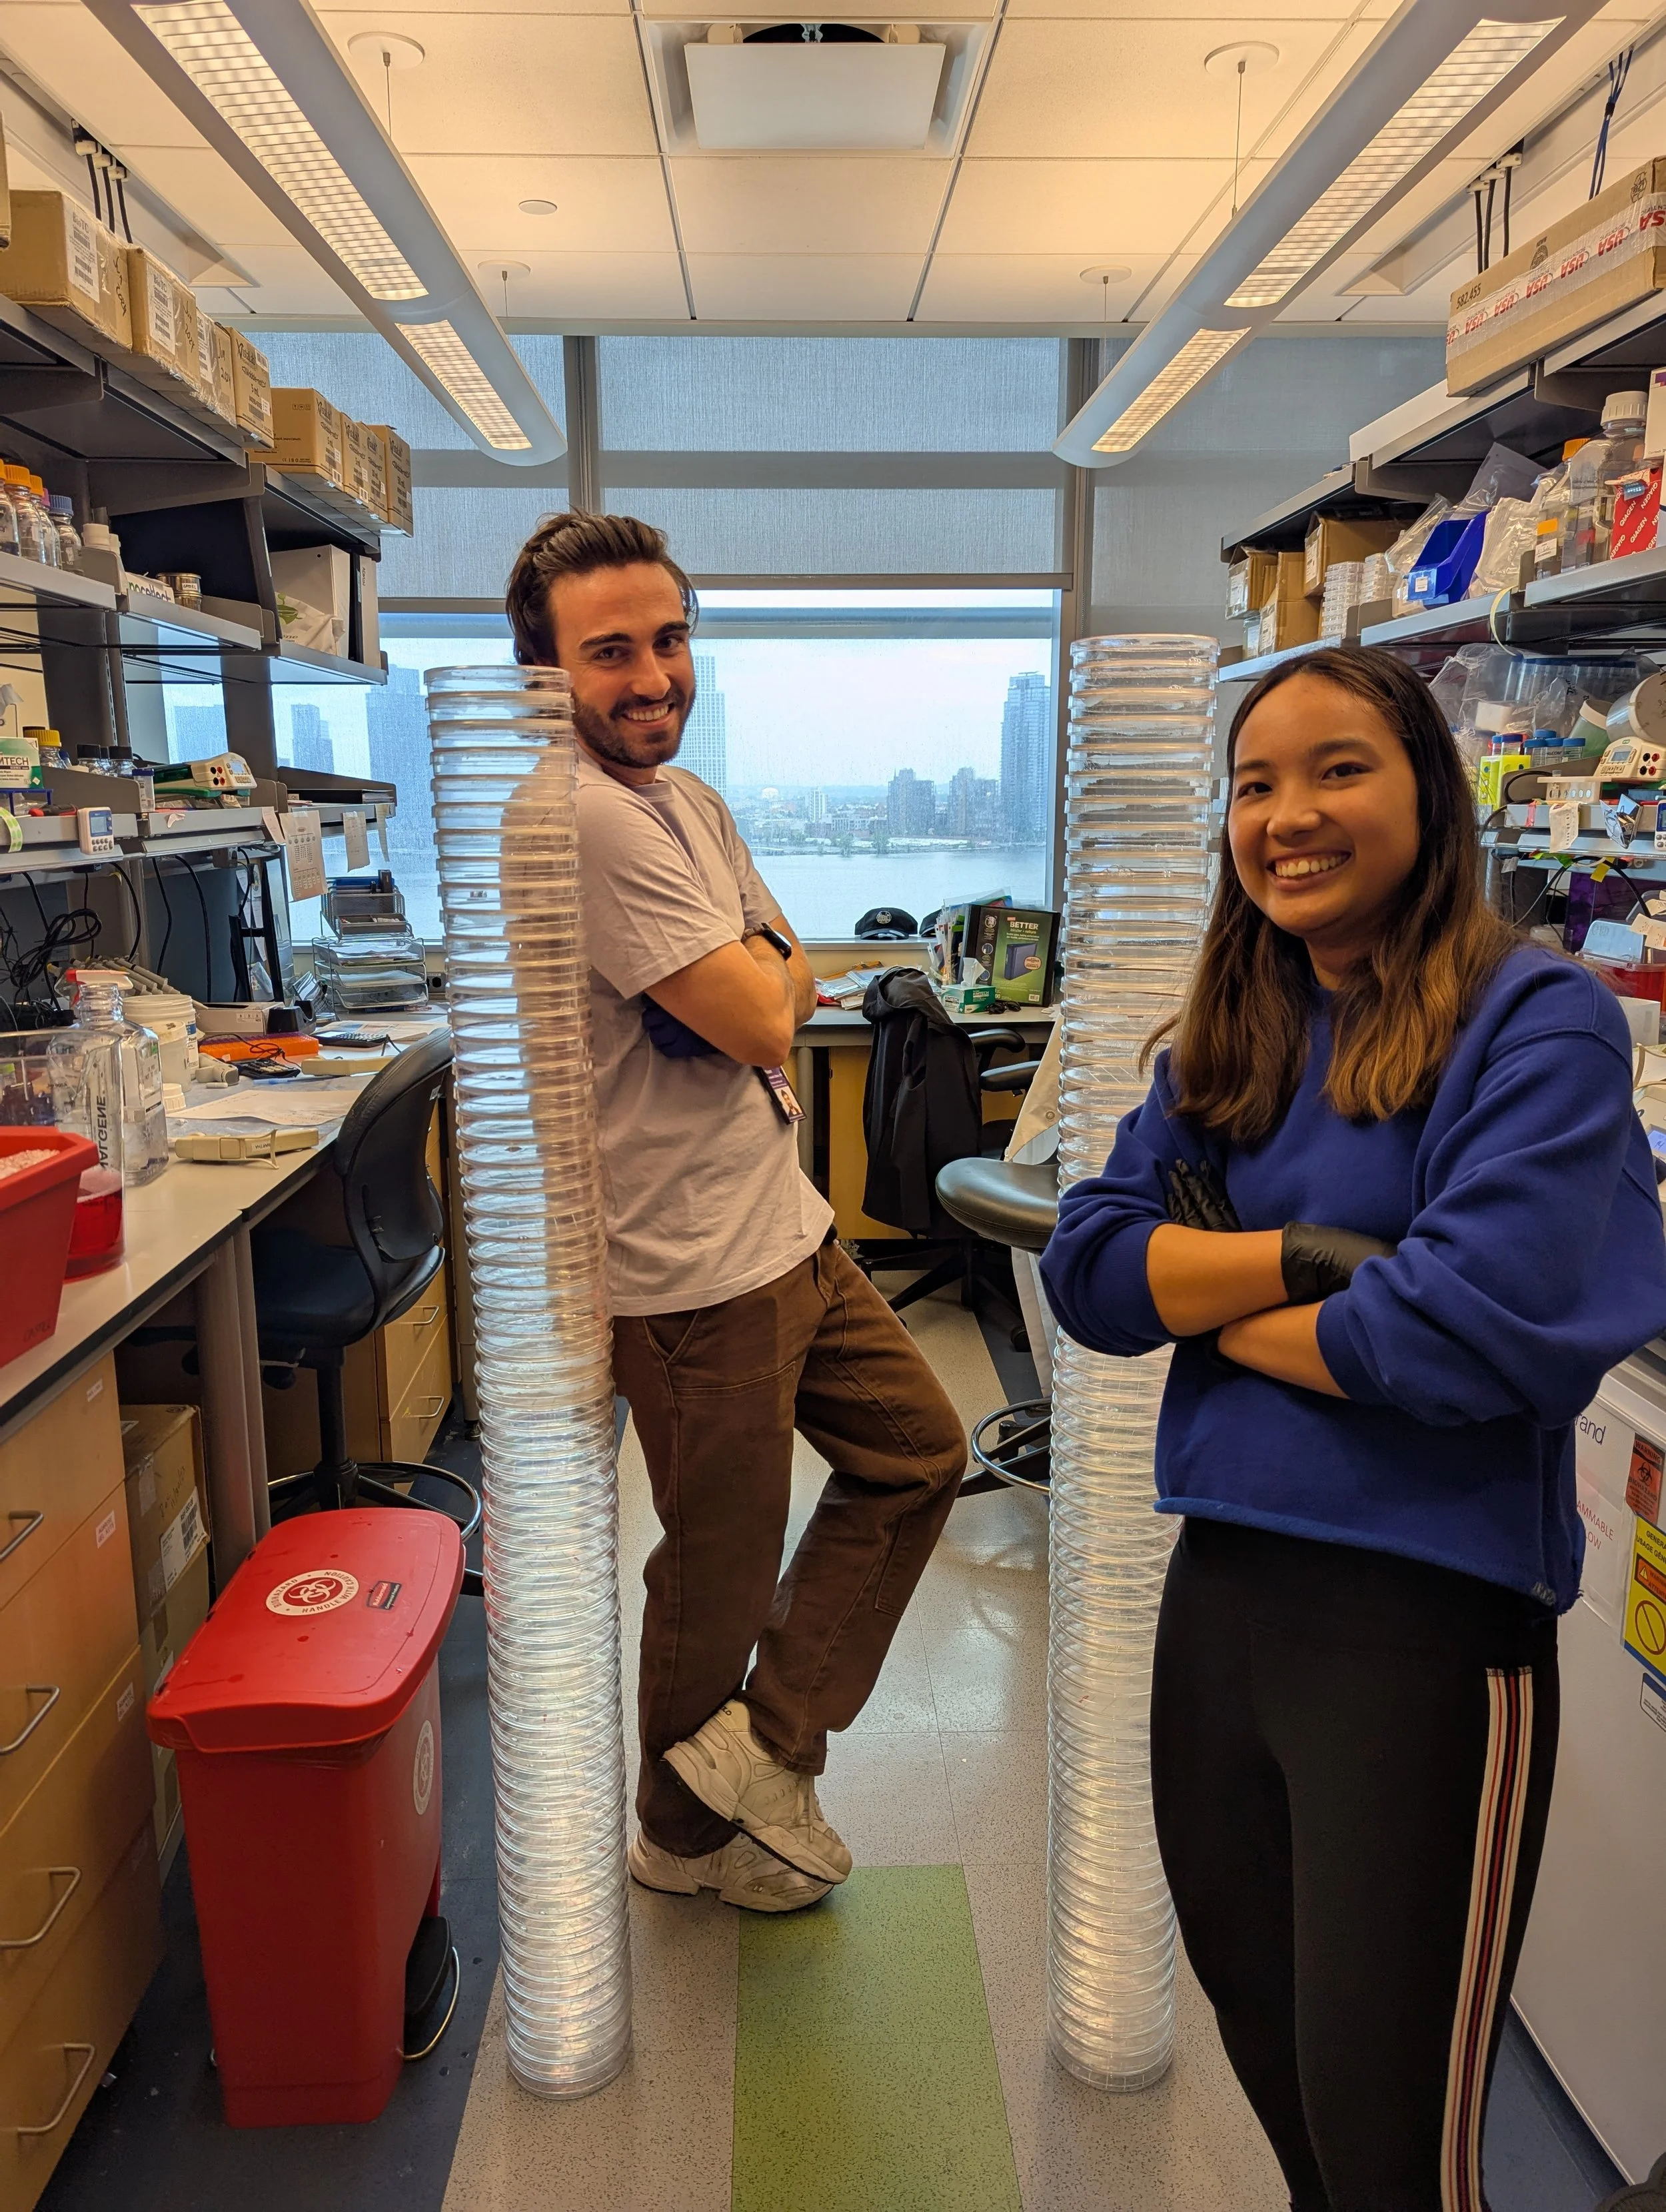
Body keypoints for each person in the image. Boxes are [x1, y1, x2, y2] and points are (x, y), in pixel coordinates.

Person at [1039, 645, 1666, 2212]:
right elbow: (1094, 1271)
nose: (1288, 815)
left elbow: (1454, 1330)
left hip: (1422, 1627)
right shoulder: (1225, 1038)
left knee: (1392, 2139)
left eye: (1335, 770)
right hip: (1226, 1604)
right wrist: (1320, 1267)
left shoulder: (1538, 1025)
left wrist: (1215, 1298)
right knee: (1279, 2067)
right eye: (1254, 784)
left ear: (1425, 796)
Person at [504, 511, 966, 1916]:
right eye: (608, 654)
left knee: (917, 1454)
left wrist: (753, 977)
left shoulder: (684, 801)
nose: (651, 676)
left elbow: (788, 976)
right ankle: (680, 1839)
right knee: (715, 1567)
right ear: (543, 674)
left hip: (783, 1227)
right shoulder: (580, 815)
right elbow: (766, 1005)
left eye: (667, 638)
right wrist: (753, 979)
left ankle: (755, 1751)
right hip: (689, 1268)